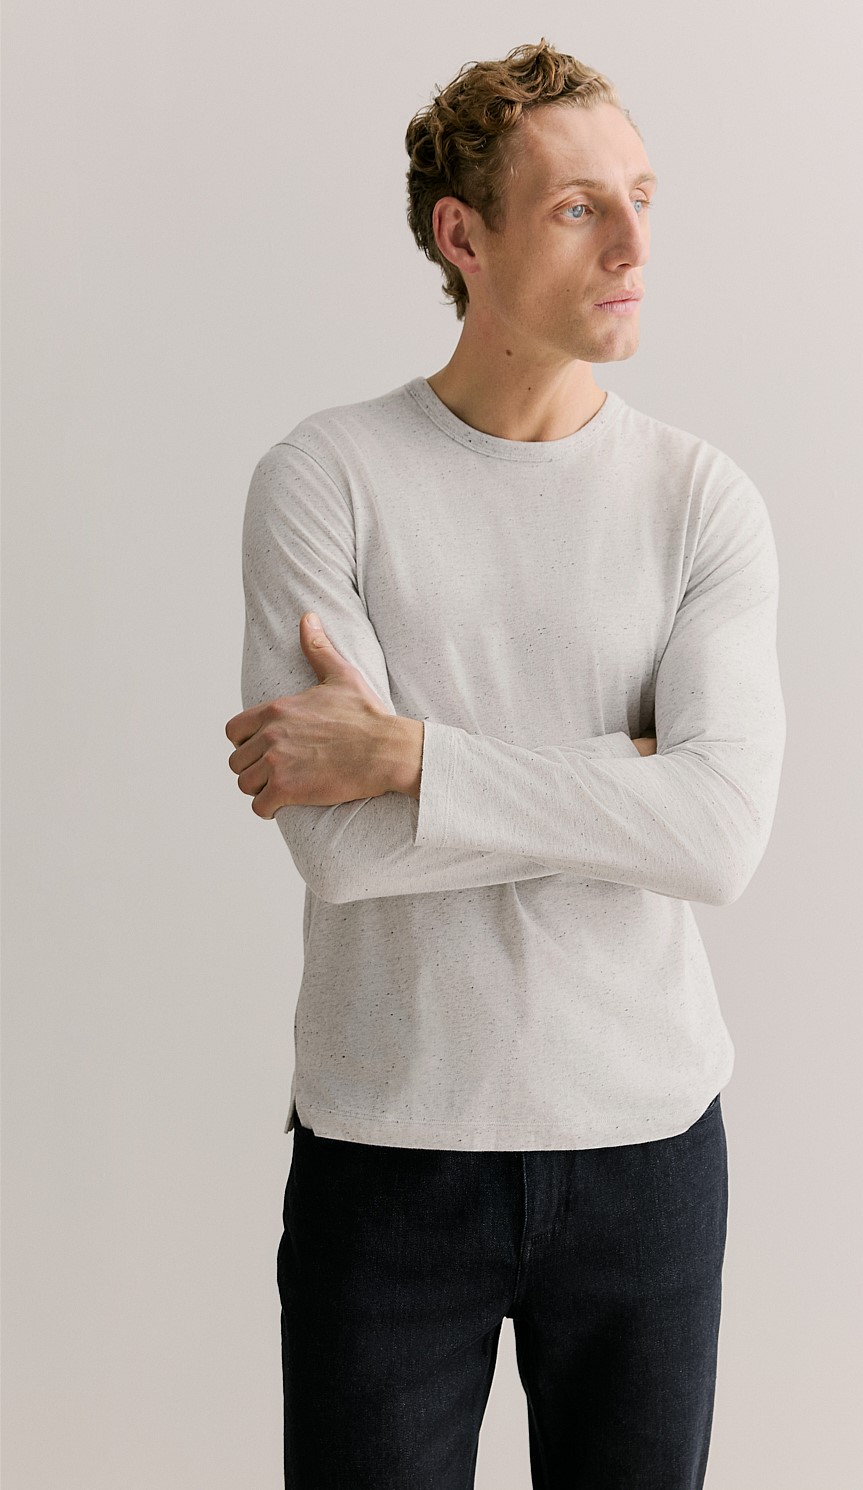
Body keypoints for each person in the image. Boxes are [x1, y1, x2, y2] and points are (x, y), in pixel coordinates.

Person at [224, 36, 786, 1490]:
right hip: (387, 1153)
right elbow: (342, 850)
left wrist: (411, 754)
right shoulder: (327, 479)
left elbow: (718, 833)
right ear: (461, 237)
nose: (634, 246)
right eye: (578, 208)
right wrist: (629, 777)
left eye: (643, 198)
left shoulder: (700, 501)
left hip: (650, 1150)